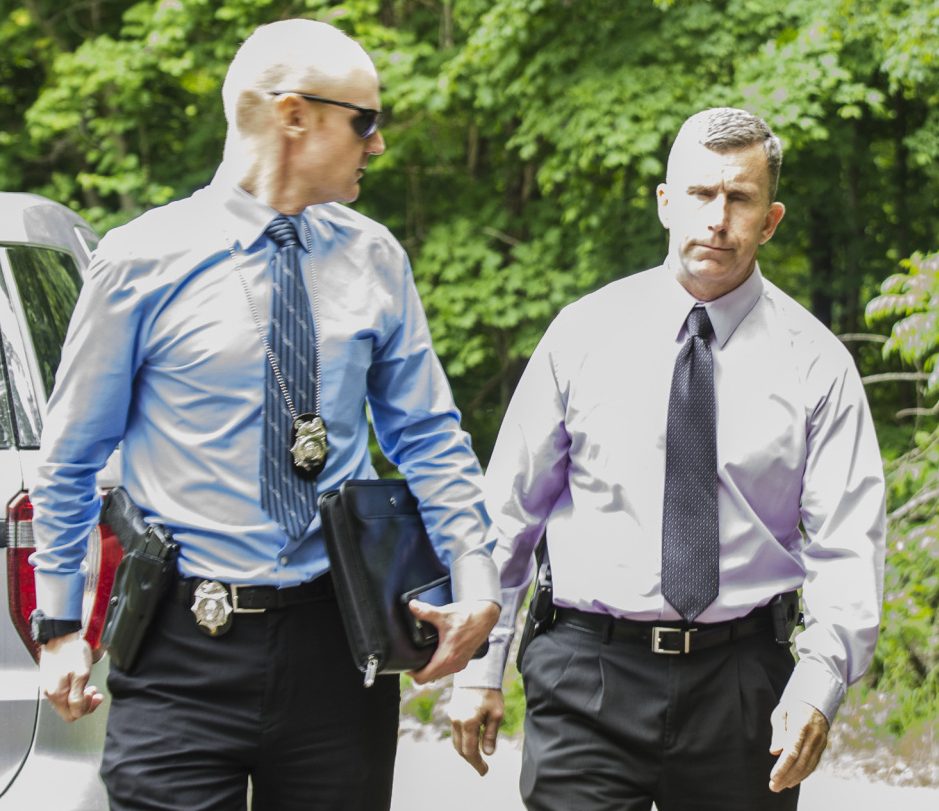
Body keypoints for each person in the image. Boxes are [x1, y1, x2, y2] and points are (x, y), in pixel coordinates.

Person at [28, 18, 499, 811]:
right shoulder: (140, 258)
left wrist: (477, 578)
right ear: (292, 115)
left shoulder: (375, 256)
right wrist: (59, 625)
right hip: (181, 646)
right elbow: (71, 455)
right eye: (364, 121)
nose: (377, 144)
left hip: (337, 645)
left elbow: (426, 437)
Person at [448, 107, 886, 810]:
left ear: (769, 219)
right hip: (587, 670)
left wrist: (818, 682)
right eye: (699, 194)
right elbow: (507, 515)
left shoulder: (817, 364)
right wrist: (479, 663)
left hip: (744, 685)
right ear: (664, 202)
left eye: (738, 198)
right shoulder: (582, 334)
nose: (716, 218)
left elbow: (846, 546)